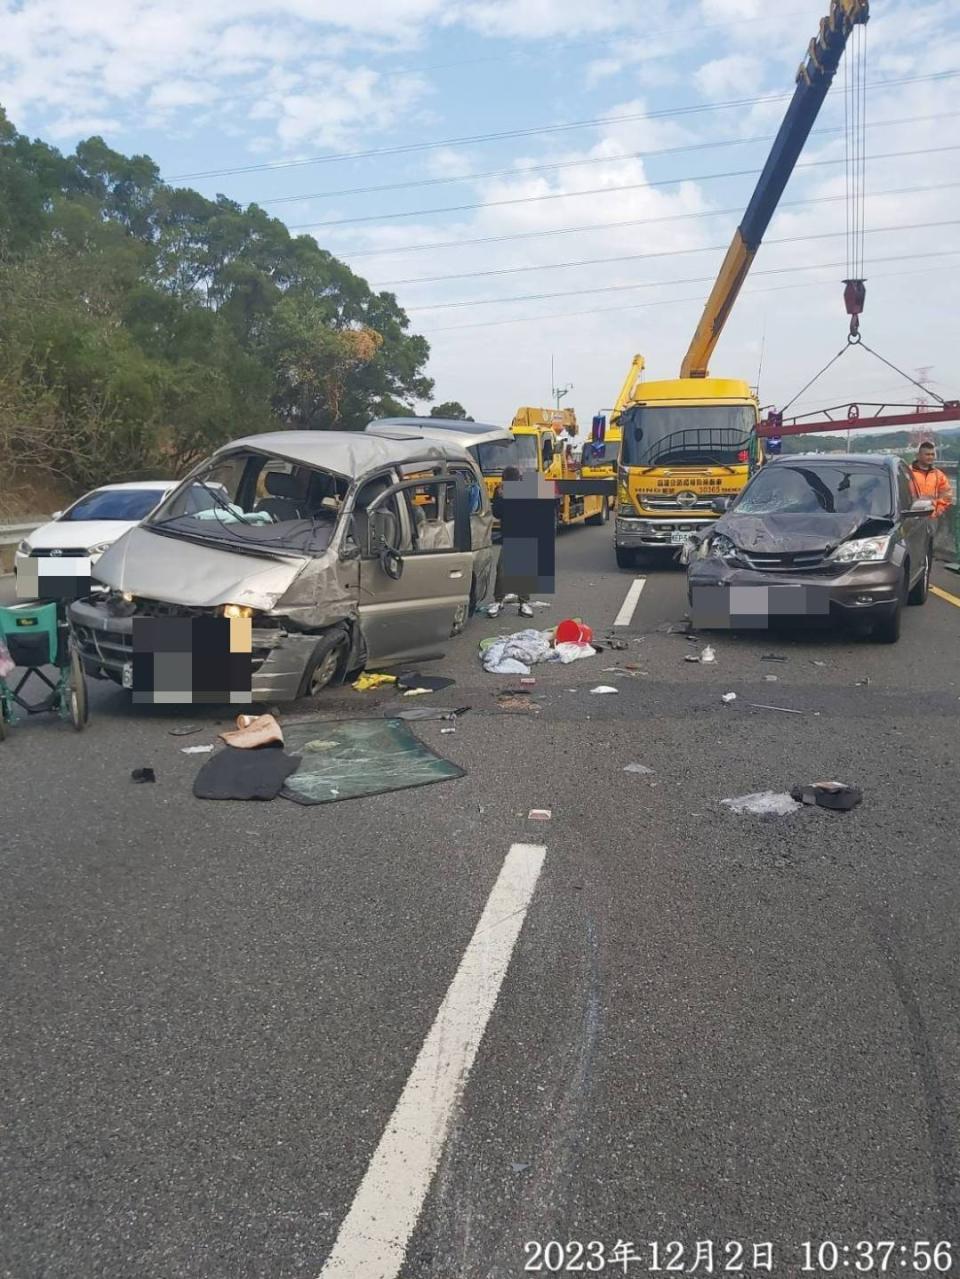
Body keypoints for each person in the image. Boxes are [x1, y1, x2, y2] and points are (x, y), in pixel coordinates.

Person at [488, 465, 534, 619]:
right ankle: (498, 600)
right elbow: (498, 513)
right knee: (502, 569)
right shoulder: (499, 491)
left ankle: (524, 603)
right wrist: (499, 497)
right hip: (508, 536)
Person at [909, 441, 953, 519]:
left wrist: (937, 511)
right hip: (910, 517)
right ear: (918, 456)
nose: (930, 457)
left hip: (932, 517)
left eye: (932, 454)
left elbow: (947, 495)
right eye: (927, 454)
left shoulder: (939, 475)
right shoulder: (908, 472)